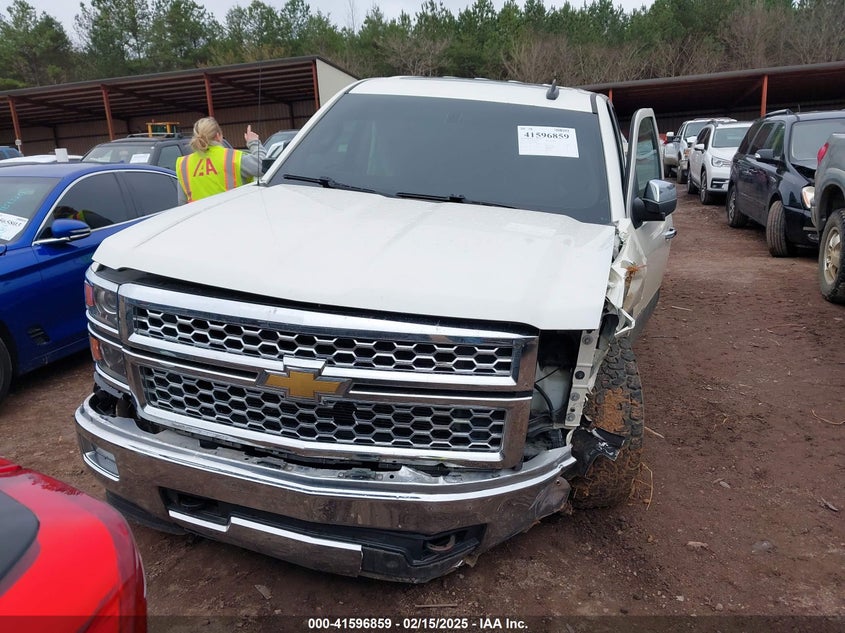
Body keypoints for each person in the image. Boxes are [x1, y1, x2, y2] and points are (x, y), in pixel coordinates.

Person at [176, 117, 266, 204]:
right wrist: (253, 142)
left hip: (201, 214)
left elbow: (182, 202)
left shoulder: (184, 164)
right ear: (218, 136)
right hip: (235, 212)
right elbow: (263, 166)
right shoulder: (232, 157)